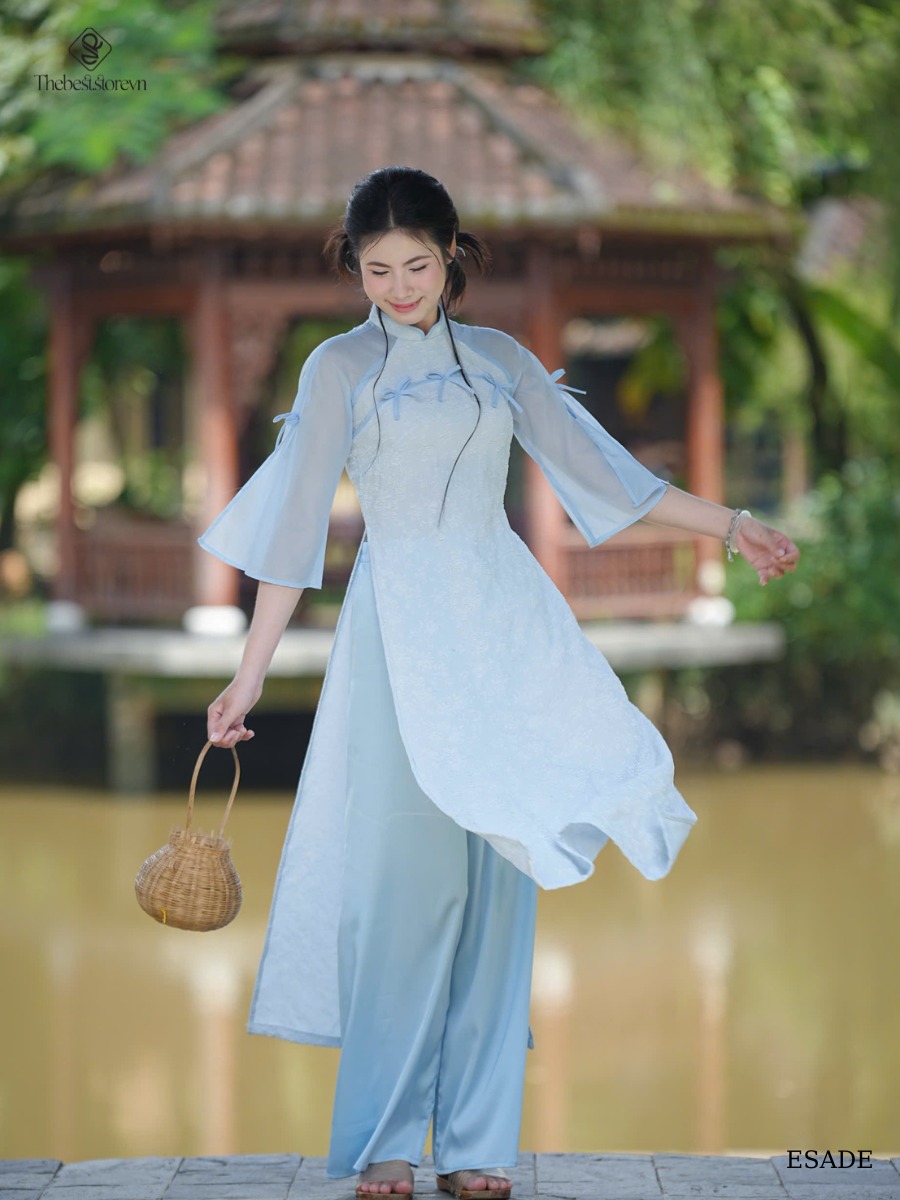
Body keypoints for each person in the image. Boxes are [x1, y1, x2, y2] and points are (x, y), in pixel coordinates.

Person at [201, 166, 800, 1200]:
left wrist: (734, 526)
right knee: (404, 889)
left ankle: (477, 1143)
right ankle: (388, 1141)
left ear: (451, 256)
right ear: (354, 268)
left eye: (416, 266)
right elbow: (293, 532)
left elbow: (604, 473)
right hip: (397, 631)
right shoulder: (338, 369)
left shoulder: (501, 361)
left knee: (497, 882)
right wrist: (247, 677)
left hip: (502, 623)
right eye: (377, 270)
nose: (399, 288)